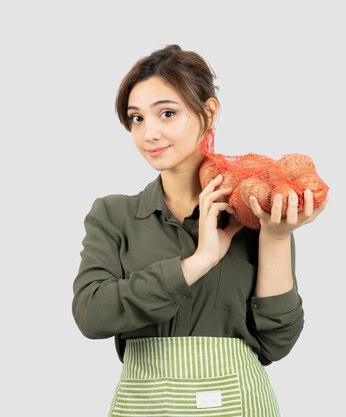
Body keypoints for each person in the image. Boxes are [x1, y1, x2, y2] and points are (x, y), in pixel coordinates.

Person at [71, 44, 327, 417]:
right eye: (137, 118)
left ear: (208, 112)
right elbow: (91, 315)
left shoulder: (254, 212)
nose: (149, 133)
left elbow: (277, 342)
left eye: (167, 113)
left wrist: (274, 236)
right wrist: (199, 261)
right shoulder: (114, 215)